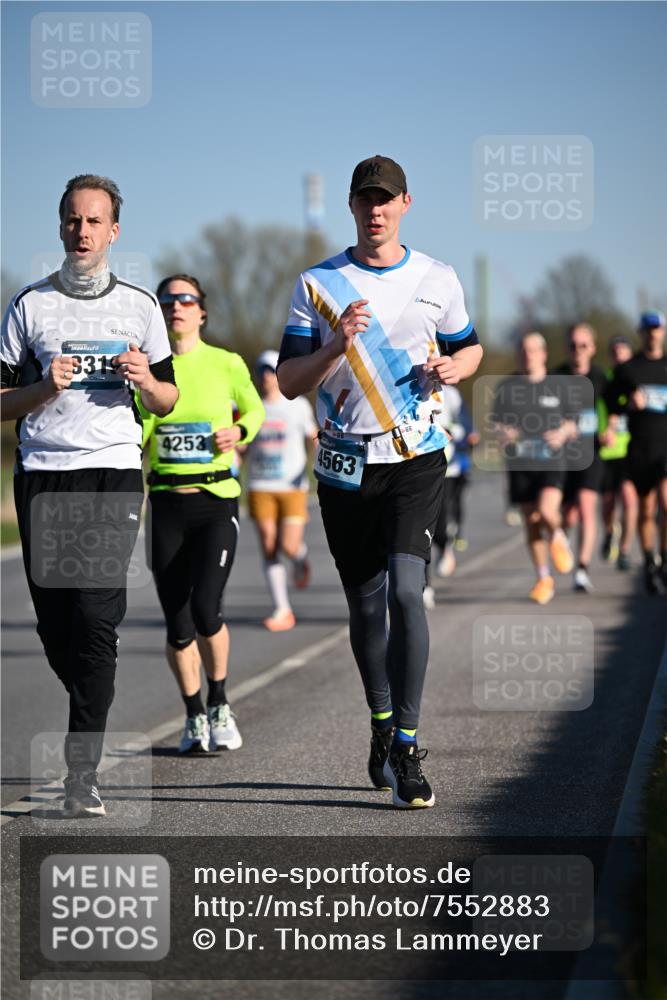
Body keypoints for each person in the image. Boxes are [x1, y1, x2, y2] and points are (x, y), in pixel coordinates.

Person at [277, 155, 483, 808]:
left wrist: (458, 370)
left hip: (416, 458)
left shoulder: (436, 277)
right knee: (366, 605)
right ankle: (380, 721)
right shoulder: (316, 283)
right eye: (365, 199)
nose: (375, 210)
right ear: (350, 206)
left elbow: (469, 345)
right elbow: (286, 381)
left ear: (404, 204)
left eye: (385, 199)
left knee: (407, 593)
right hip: (343, 464)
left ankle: (409, 746)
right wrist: (334, 347)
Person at [0, 175, 178, 817]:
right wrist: (40, 390)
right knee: (58, 623)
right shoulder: (29, 307)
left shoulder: (138, 307)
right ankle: (92, 674)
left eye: (95, 221)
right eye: (73, 220)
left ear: (114, 232)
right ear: (60, 226)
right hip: (44, 472)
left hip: (111, 470)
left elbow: (167, 396)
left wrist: (145, 381)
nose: (83, 231)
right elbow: (0, 404)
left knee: (96, 616)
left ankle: (83, 773)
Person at [140, 274, 264, 754]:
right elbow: (140, 425)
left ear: (201, 311)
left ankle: (219, 702)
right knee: (177, 622)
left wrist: (242, 433)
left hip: (215, 501)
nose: (176, 307)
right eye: (167, 300)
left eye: (185, 299)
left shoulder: (226, 362)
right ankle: (192, 715)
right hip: (167, 502)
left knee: (206, 608)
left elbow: (254, 410)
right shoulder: (152, 369)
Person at [492, 332, 575, 605]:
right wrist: (505, 433)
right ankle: (543, 578)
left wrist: (562, 432)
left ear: (543, 353)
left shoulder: (559, 386)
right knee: (531, 521)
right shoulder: (507, 387)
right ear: (519, 354)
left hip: (551, 460)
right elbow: (496, 425)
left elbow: (575, 423)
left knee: (547, 511)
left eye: (533, 349)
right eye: (524, 349)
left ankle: (559, 536)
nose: (528, 354)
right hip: (520, 463)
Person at [243, 349, 318, 631]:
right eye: (260, 370)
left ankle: (300, 558)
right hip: (260, 484)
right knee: (269, 547)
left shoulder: (296, 405)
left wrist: (317, 449)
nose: (265, 376)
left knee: (288, 545)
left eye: (270, 370)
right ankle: (282, 609)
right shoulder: (252, 405)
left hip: (292, 485)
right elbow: (244, 441)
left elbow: (312, 434)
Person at [606, 311, 667, 595]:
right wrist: (629, 403)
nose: (653, 333)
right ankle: (650, 563)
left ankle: (664, 559)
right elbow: (611, 401)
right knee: (646, 509)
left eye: (657, 328)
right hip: (641, 447)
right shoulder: (630, 369)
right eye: (648, 329)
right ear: (641, 333)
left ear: (663, 331)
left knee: (666, 504)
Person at [553, 323, 609, 593]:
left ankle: (582, 569)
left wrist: (611, 428)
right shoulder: (557, 377)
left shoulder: (602, 378)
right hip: (563, 456)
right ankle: (561, 538)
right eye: (573, 345)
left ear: (593, 348)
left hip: (592, 454)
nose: (578, 350)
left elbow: (615, 411)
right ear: (567, 348)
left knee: (587, 507)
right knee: (569, 515)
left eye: (584, 345)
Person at [599, 335, 637, 570]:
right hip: (606, 450)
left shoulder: (638, 380)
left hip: (630, 450)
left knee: (630, 501)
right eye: (614, 352)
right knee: (608, 503)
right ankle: (610, 531)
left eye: (622, 351)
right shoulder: (605, 380)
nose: (618, 356)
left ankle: (624, 550)